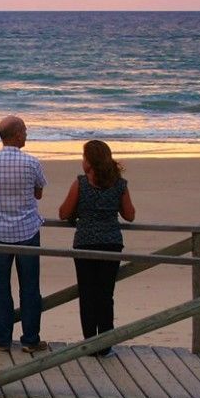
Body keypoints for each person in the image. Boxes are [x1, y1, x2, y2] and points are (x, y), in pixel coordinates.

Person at [58, 139, 136, 352]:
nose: (82, 161)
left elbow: (63, 213)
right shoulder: (119, 184)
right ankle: (105, 344)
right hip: (111, 243)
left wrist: (80, 211)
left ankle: (90, 342)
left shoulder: (81, 183)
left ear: (90, 161)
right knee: (105, 295)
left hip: (85, 242)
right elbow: (129, 215)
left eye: (84, 157)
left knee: (87, 294)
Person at [0, 114, 48, 354]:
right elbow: (39, 193)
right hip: (27, 230)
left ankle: (2, 339)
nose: (27, 134)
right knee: (30, 287)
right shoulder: (31, 162)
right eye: (25, 131)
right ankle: (30, 339)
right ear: (17, 135)